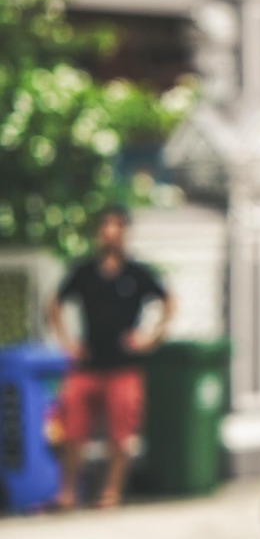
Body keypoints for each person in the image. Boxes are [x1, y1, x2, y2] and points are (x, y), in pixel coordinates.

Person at [45, 205, 174, 509]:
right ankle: (66, 492)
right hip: (87, 364)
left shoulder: (136, 273)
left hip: (124, 366)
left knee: (121, 434)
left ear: (125, 232)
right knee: (71, 429)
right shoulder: (85, 271)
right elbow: (54, 303)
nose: (110, 232)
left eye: (116, 226)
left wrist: (151, 337)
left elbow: (168, 302)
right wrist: (66, 342)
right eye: (105, 226)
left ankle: (111, 492)